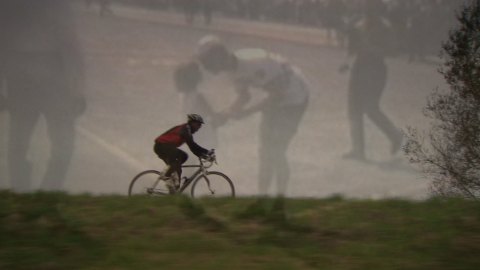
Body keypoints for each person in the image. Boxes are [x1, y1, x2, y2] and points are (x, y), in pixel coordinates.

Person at [195, 35, 309, 198]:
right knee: (265, 151)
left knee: (277, 151)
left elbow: (279, 92)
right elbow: (244, 96)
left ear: (218, 56)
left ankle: (279, 202)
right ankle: (262, 199)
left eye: (207, 60)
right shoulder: (231, 69)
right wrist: (227, 113)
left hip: (294, 98)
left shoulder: (252, 63)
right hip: (278, 98)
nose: (206, 65)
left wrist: (248, 112)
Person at [0, 0, 85, 192]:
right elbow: (71, 45)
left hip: (28, 76)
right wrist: (78, 89)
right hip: (50, 78)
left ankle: (26, 190)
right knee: (59, 143)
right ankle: (44, 189)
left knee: (20, 142)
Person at [340, 0, 403, 161]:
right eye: (366, 6)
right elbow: (352, 46)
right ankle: (358, 150)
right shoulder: (359, 23)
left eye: (371, 7)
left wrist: (373, 49)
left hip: (375, 69)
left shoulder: (385, 27)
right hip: (359, 68)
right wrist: (346, 62)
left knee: (370, 108)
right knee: (353, 109)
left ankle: (395, 135)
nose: (367, 10)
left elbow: (393, 51)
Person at [154, 114, 212, 192]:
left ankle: (174, 191)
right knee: (177, 157)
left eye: (200, 126)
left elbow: (193, 148)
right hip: (161, 146)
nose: (199, 127)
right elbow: (192, 145)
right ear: (192, 123)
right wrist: (207, 152)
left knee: (182, 160)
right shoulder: (185, 129)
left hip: (164, 147)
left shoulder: (187, 130)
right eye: (198, 124)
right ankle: (167, 176)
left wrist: (203, 155)